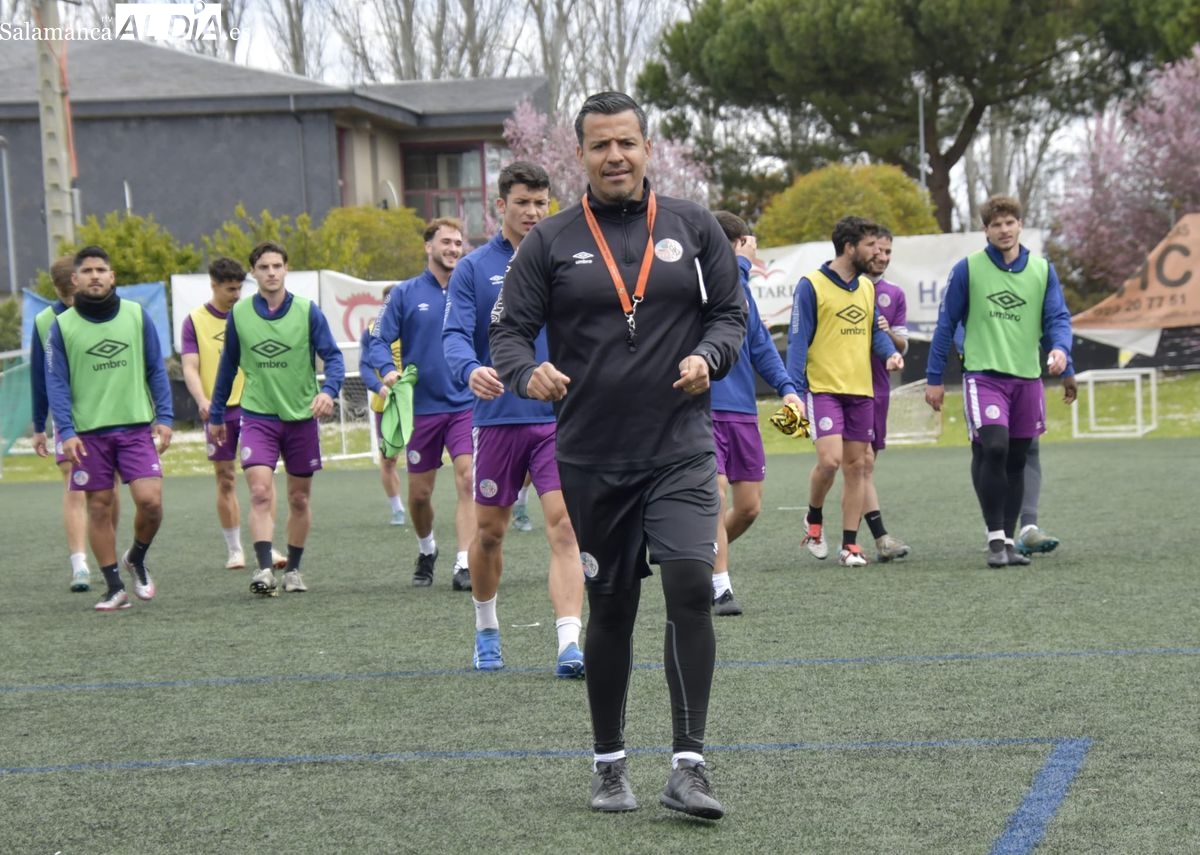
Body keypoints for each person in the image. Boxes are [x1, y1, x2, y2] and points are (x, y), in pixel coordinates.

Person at [490, 91, 746, 820]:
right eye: (600, 145)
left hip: (681, 445)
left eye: (627, 143)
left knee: (692, 581)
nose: (615, 156)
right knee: (613, 605)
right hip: (594, 454)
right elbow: (508, 332)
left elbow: (730, 315)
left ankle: (689, 765)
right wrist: (524, 371)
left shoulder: (695, 227)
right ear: (582, 154)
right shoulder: (550, 241)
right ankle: (609, 764)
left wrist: (709, 354)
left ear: (647, 146)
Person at [443, 160, 586, 676]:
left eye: (540, 203)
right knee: (489, 534)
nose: (532, 212)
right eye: (522, 202)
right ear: (499, 206)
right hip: (497, 420)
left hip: (558, 420)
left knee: (566, 527)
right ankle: (485, 627)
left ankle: (570, 643)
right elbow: (455, 335)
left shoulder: (571, 262)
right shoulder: (473, 269)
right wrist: (471, 369)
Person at [926, 194, 1072, 567]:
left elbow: (1057, 319)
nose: (1004, 230)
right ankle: (994, 539)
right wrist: (934, 378)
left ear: (1020, 224)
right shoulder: (968, 269)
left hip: (1027, 378)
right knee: (994, 447)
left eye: (1010, 223)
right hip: (983, 376)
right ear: (985, 230)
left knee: (1019, 460)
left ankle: (1009, 542)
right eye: (996, 225)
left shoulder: (1042, 269)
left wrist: (1061, 353)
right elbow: (945, 326)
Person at [208, 241, 345, 595]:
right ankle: (265, 570)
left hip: (300, 418)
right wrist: (217, 412)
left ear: (286, 270)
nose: (271, 272)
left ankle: (294, 571)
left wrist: (328, 391)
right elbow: (227, 367)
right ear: (253, 273)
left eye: (277, 266)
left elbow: (334, 357)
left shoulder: (307, 311)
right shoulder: (239, 314)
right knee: (258, 492)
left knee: (299, 499)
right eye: (264, 267)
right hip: (257, 417)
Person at [45, 246, 173, 612]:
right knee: (99, 508)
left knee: (151, 503)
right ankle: (114, 587)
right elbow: (56, 383)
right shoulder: (62, 326)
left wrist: (164, 417)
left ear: (112, 276)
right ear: (76, 279)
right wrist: (66, 431)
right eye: (87, 271)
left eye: (102, 269)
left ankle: (136, 557)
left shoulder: (136, 315)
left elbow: (155, 368)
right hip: (88, 436)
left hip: (135, 430)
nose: (95, 276)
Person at [786, 216, 904, 567]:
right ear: (850, 247)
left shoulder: (868, 288)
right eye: (871, 245)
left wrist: (890, 353)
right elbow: (797, 341)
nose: (878, 252)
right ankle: (814, 518)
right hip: (823, 389)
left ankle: (850, 545)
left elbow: (874, 334)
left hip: (861, 391)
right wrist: (792, 392)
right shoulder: (811, 284)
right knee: (830, 461)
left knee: (858, 467)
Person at [366, 218, 475, 589]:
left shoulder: (470, 290)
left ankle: (464, 563)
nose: (453, 248)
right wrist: (387, 371)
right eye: (446, 241)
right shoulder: (404, 293)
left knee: (469, 478)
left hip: (465, 405)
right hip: (421, 411)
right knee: (419, 496)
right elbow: (378, 339)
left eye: (458, 243)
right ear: (428, 246)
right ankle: (427, 549)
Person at [708, 212, 802, 616]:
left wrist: (787, 389)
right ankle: (719, 587)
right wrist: (741, 260)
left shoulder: (743, 289)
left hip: (742, 410)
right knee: (716, 495)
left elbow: (761, 346)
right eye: (746, 244)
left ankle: (693, 553)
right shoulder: (705, 279)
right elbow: (722, 283)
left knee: (748, 507)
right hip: (703, 409)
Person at [181, 256, 286, 572]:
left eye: (240, 288)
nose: (236, 295)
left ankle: (267, 545)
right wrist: (202, 399)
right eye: (229, 289)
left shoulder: (252, 313)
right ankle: (235, 549)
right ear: (213, 285)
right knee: (225, 477)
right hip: (218, 411)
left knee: (263, 479)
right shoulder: (195, 321)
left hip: (257, 407)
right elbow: (190, 366)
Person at [30, 255, 114, 593]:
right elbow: (40, 375)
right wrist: (40, 424)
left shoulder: (106, 314)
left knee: (106, 489)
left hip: (107, 415)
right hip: (68, 419)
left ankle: (105, 550)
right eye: (65, 296)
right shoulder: (43, 322)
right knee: (74, 483)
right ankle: (79, 564)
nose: (71, 300)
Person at [862, 227, 911, 563]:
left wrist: (887, 334)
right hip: (843, 388)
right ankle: (817, 516)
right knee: (854, 463)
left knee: (865, 465)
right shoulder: (840, 286)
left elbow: (903, 344)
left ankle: (857, 537)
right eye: (876, 250)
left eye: (888, 252)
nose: (882, 257)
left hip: (879, 388)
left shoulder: (894, 294)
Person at [359, 285, 408, 527]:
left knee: (428, 459)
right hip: (386, 405)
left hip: (421, 405)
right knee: (389, 459)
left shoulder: (416, 326)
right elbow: (366, 368)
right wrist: (380, 388)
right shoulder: (372, 332)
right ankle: (397, 509)